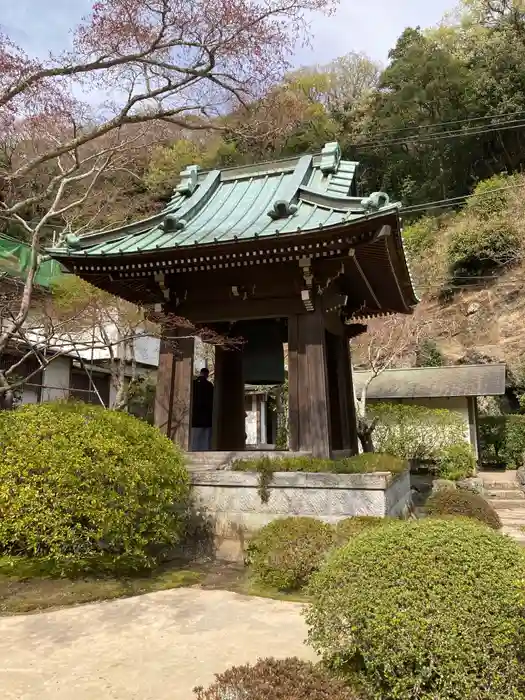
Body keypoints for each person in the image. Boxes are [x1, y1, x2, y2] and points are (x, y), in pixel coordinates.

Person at [191, 368, 214, 451]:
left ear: (200, 373)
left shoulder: (193, 384)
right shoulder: (209, 385)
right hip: (207, 415)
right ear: (207, 374)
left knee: (195, 437)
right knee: (206, 437)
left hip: (195, 415)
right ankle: (205, 450)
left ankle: (193, 450)